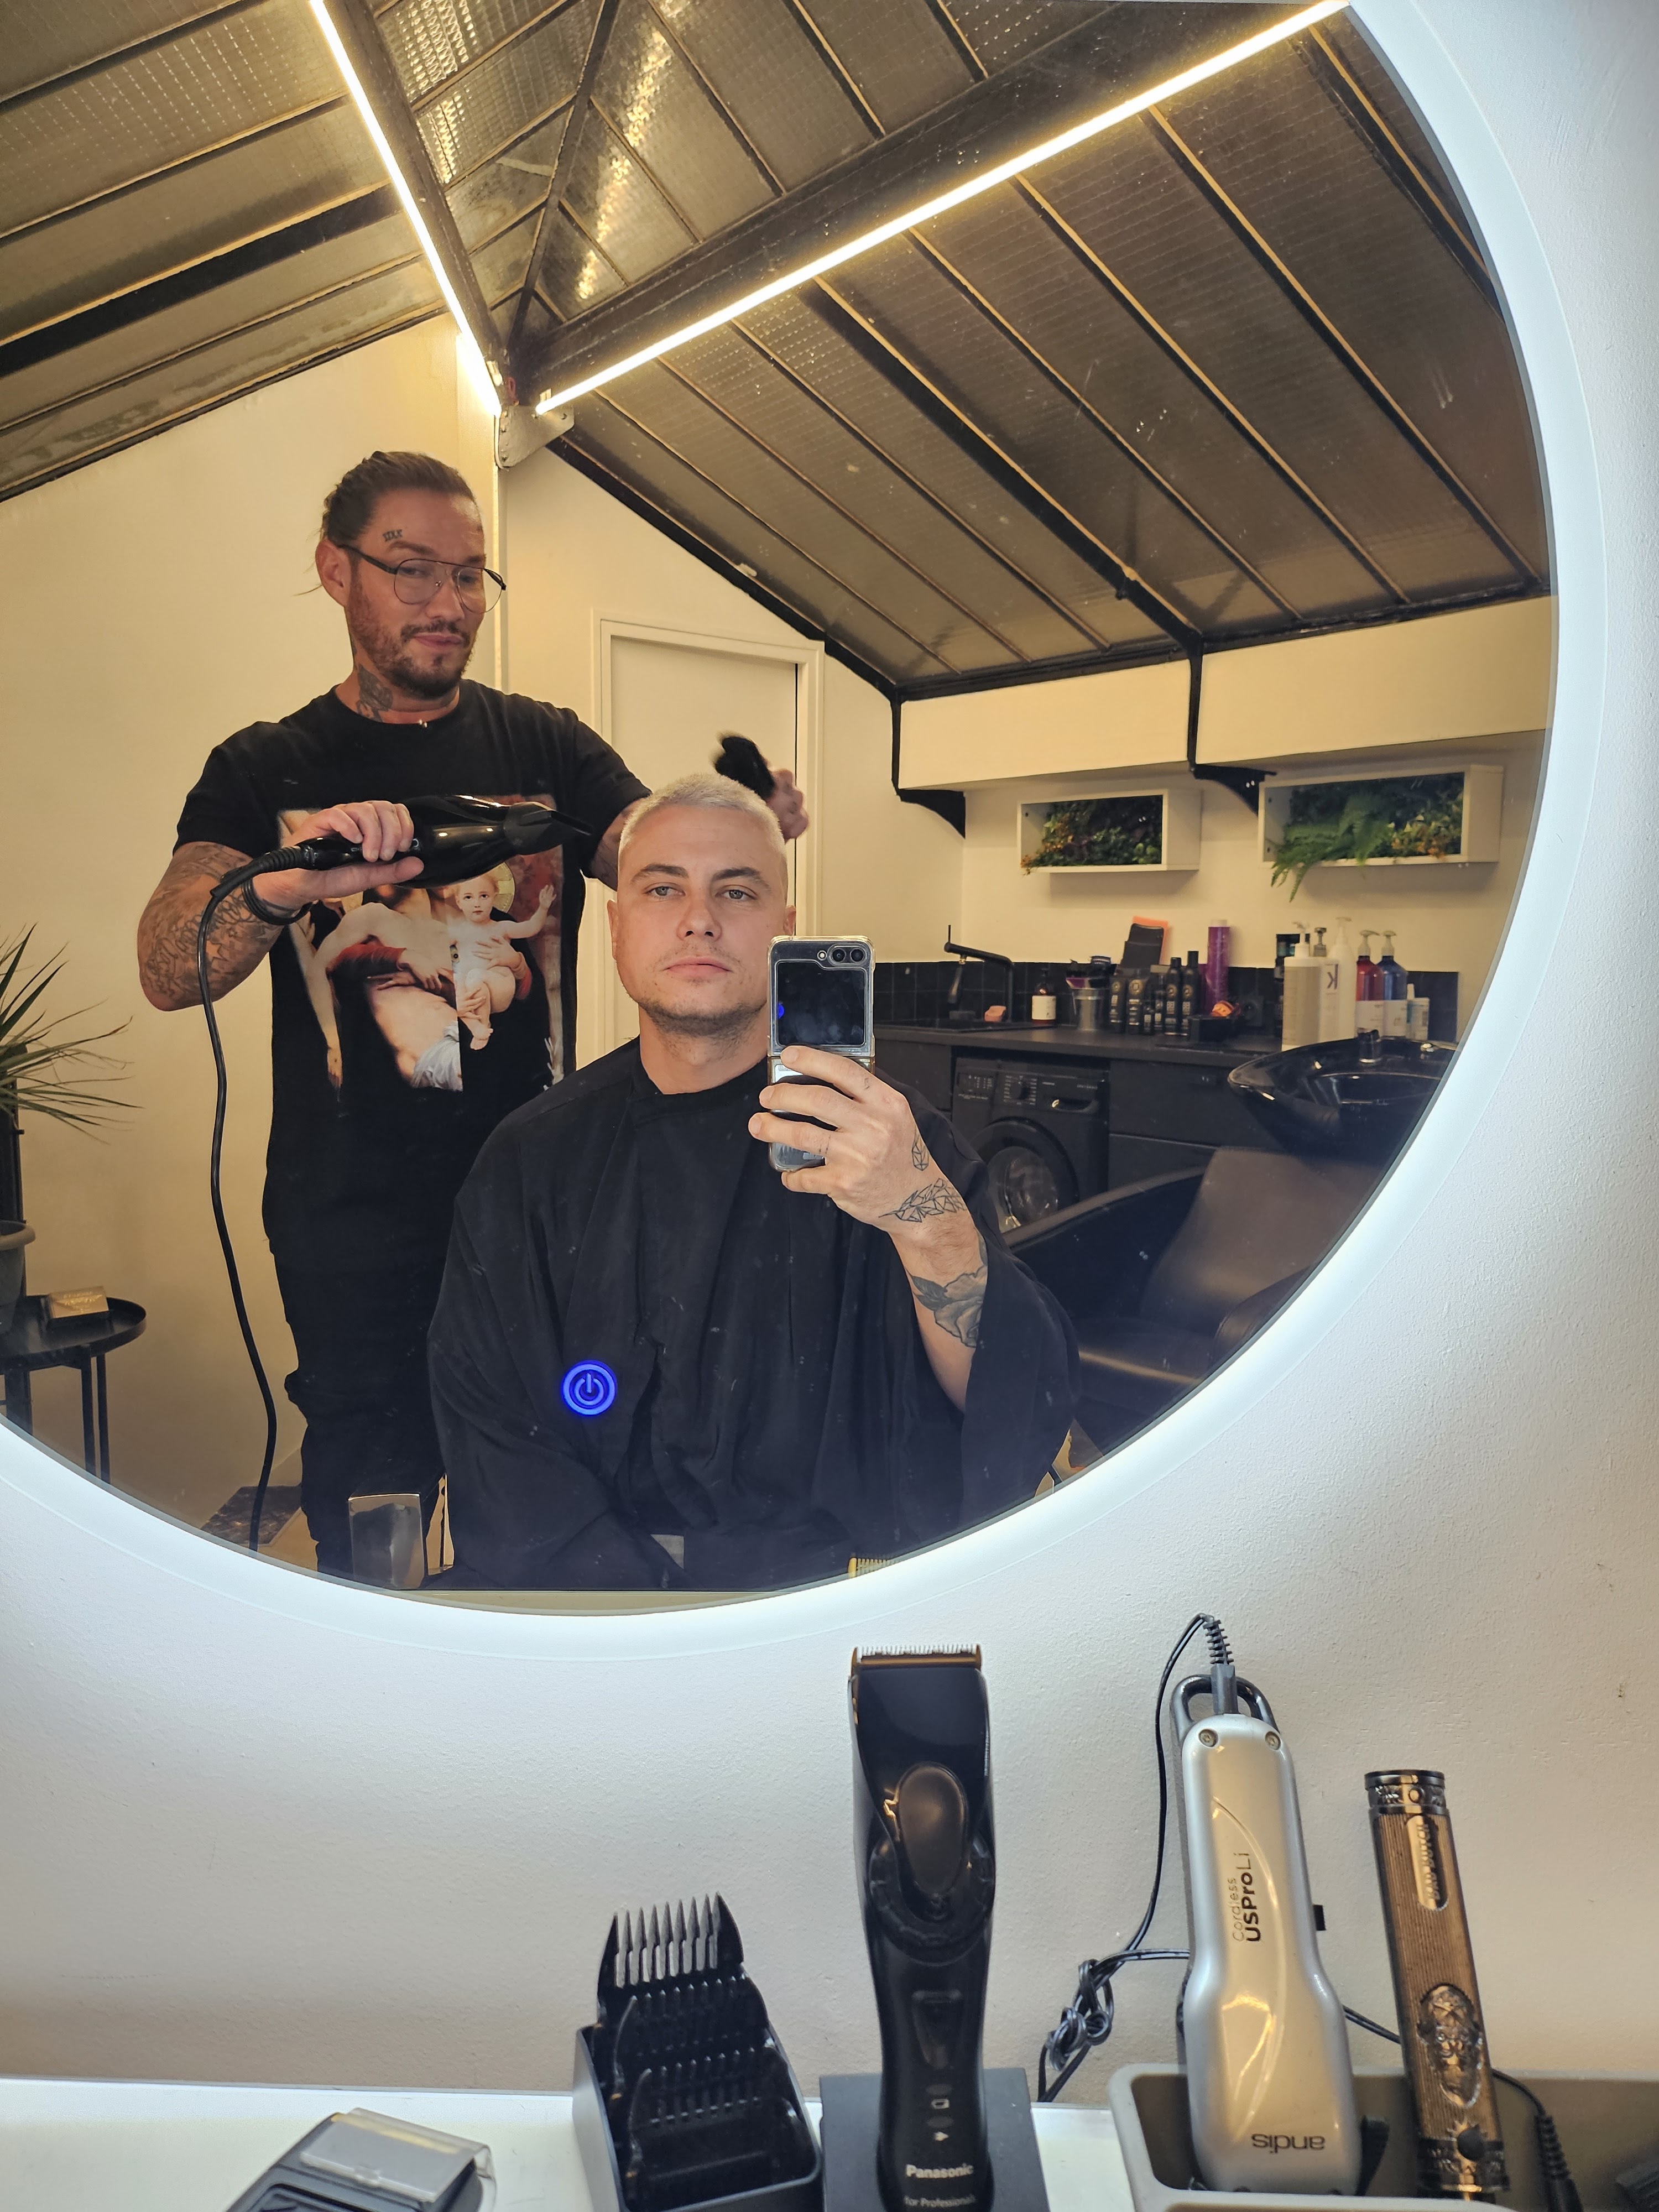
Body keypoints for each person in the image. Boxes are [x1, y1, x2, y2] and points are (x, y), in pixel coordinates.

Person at [136, 451, 807, 1577]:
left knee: (565, 1463)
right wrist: (279, 885)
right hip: (350, 1219)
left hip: (551, 1203)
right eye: (412, 569)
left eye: (469, 575)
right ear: (336, 570)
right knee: (376, 1490)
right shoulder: (265, 767)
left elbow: (655, 867)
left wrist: (734, 833)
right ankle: (394, 1676)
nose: (447, 602)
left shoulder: (550, 748)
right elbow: (171, 963)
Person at [429, 775, 1077, 1593]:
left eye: (736, 891)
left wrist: (925, 1216)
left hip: (837, 1599)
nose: (699, 918)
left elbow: (1011, 1407)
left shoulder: (891, 1139)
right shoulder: (532, 1157)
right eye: (663, 889)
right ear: (617, 929)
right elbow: (494, 1429)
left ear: (785, 932)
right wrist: (641, 1616)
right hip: (598, 1602)